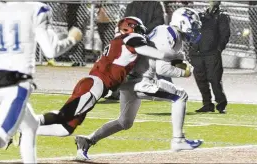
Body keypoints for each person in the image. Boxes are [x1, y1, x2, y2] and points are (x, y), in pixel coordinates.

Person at [75, 7, 203, 160]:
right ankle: (178, 140)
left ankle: (87, 140)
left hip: (131, 80)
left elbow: (162, 60)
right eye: (194, 24)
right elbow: (162, 68)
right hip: (140, 80)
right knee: (180, 96)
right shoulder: (170, 34)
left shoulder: (167, 32)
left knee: (124, 122)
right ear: (183, 22)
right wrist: (185, 71)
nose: (196, 28)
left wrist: (180, 63)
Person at [30, 17, 175, 138]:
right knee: (63, 115)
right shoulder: (130, 38)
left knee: (65, 129)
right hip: (95, 85)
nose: (141, 34)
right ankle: (22, 125)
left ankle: (27, 132)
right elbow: (158, 54)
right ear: (130, 29)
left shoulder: (118, 43)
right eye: (138, 30)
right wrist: (176, 57)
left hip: (92, 84)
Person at [0, 2, 82, 163]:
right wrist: (72, 39)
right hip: (18, 83)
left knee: (30, 126)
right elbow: (51, 51)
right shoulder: (36, 8)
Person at [105, 1, 166, 100]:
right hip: (133, 40)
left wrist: (143, 31)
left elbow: (159, 22)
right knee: (123, 65)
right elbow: (125, 22)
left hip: (151, 40)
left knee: (157, 67)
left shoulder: (156, 4)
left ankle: (166, 91)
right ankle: (116, 92)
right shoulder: (131, 5)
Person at [189, 1, 230, 114]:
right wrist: (192, 48)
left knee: (215, 79)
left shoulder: (222, 16)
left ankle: (221, 104)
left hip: (212, 53)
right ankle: (207, 104)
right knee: (201, 79)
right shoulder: (200, 15)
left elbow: (225, 34)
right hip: (197, 52)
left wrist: (218, 49)